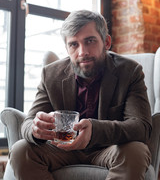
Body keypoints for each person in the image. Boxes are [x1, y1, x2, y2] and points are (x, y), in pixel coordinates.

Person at [10, 10, 152, 180]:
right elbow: (28, 122)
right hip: (62, 149)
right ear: (67, 48)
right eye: (74, 44)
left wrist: (95, 130)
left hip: (109, 149)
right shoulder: (50, 74)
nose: (82, 52)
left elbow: (141, 127)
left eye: (90, 41)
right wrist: (35, 129)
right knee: (21, 150)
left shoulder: (130, 71)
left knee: (136, 151)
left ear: (106, 42)